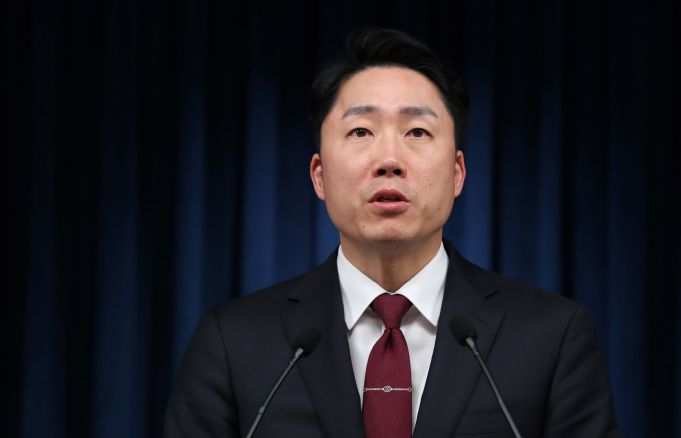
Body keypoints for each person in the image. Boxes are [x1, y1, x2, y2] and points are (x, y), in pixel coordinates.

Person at [165, 28, 619, 438]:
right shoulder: (233, 343)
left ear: (457, 173)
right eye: (361, 131)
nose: (389, 160)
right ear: (319, 176)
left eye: (417, 131)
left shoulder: (551, 338)